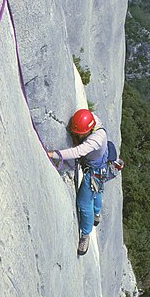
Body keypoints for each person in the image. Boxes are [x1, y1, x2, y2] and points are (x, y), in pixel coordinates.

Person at [48, 109, 108, 255]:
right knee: (98, 190)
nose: (77, 135)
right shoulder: (93, 120)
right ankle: (97, 214)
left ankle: (85, 234)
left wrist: (54, 154)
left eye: (80, 134)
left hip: (95, 171)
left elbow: (77, 152)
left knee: (84, 203)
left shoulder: (95, 140)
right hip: (101, 163)